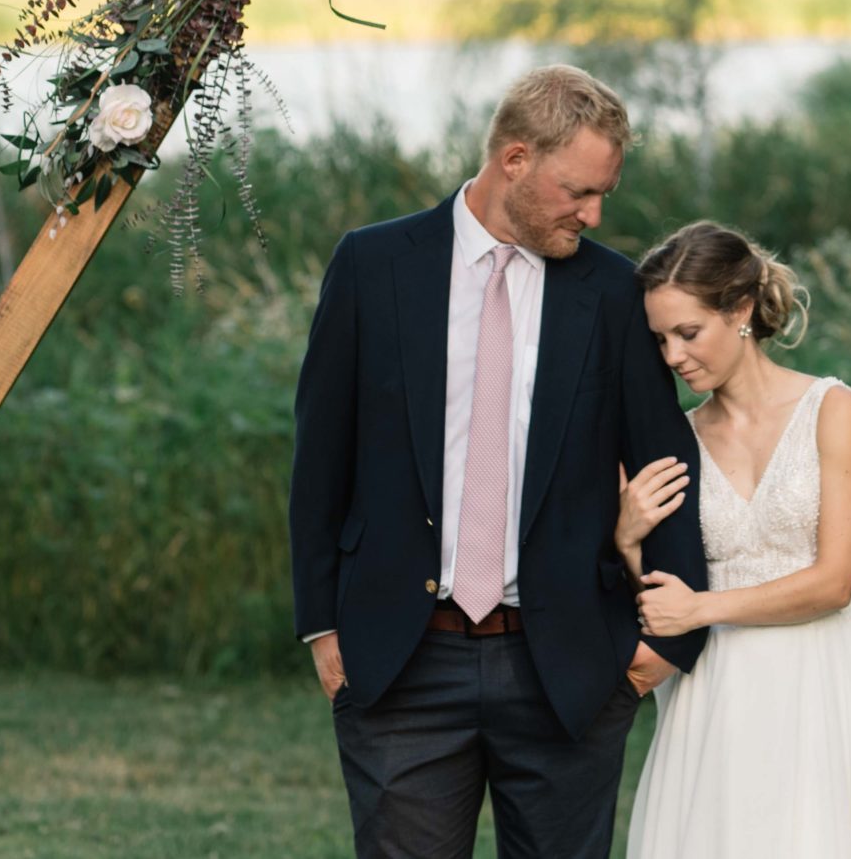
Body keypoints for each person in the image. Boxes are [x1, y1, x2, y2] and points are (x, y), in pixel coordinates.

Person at [288, 65, 710, 859]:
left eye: (603, 196)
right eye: (578, 191)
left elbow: (667, 459)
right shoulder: (372, 265)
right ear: (515, 159)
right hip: (400, 662)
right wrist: (321, 625)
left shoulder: (615, 292)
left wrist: (664, 644)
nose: (592, 213)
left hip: (570, 666)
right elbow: (321, 457)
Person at [615, 221, 851, 858]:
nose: (673, 357)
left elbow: (834, 582)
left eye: (687, 333)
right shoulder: (676, 438)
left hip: (821, 681)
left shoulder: (832, 409)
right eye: (660, 339)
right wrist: (625, 541)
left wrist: (704, 608)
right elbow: (659, 595)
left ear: (738, 312)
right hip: (716, 694)